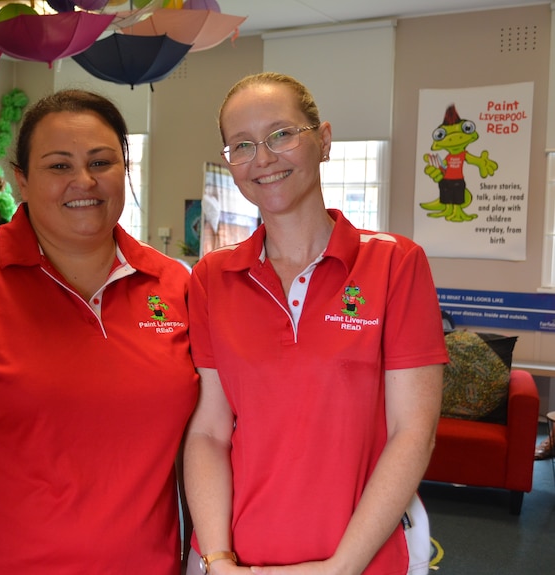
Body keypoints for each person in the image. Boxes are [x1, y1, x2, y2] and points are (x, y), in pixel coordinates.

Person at [0, 89, 199, 575]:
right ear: (21, 180)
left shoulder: (175, 285)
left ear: (125, 171)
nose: (83, 181)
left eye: (101, 161)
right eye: (58, 166)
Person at [183, 72, 448, 575]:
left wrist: (339, 568)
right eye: (241, 145)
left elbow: (413, 432)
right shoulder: (211, 278)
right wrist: (217, 560)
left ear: (323, 141)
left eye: (281, 134)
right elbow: (211, 432)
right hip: (233, 556)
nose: (262, 158)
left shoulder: (395, 264)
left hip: (358, 559)